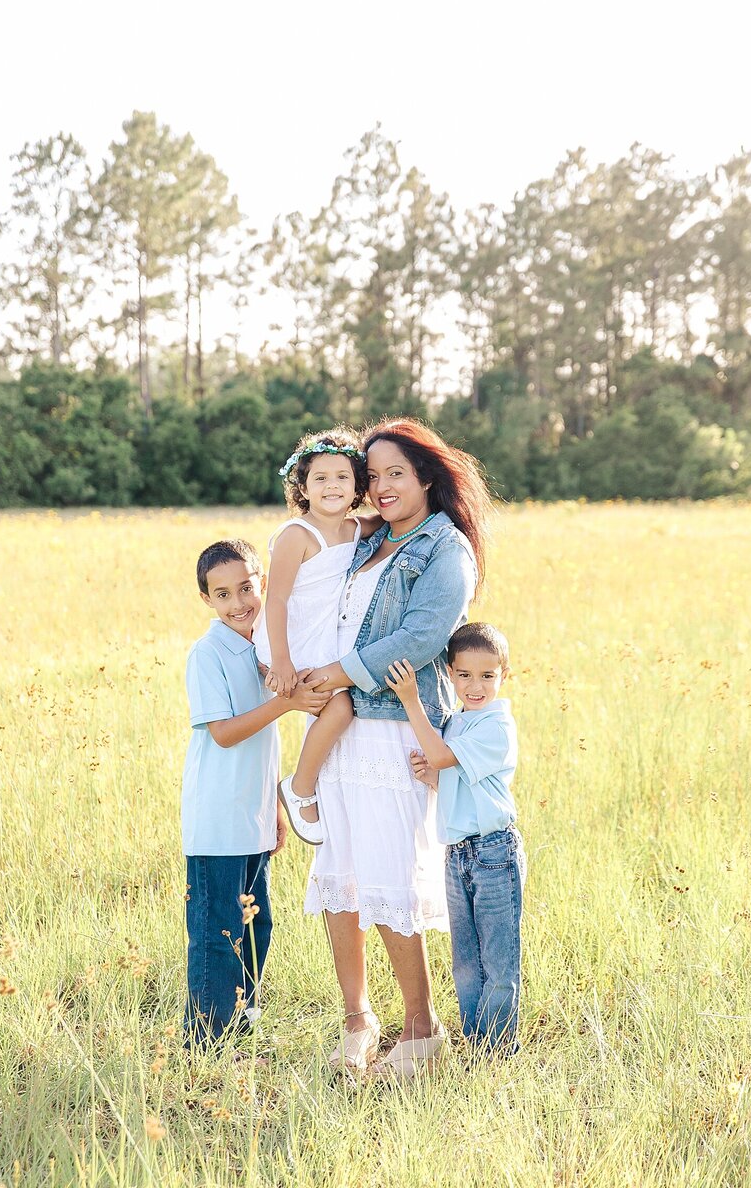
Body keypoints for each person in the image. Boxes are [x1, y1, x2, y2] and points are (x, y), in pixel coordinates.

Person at [301, 418, 492, 1078]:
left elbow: (420, 637)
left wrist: (338, 672)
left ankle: (422, 1029)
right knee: (344, 880)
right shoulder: (371, 538)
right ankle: (358, 1021)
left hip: (391, 733)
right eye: (373, 475)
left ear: (428, 478)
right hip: (338, 725)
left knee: (388, 879)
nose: (379, 487)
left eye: (395, 475)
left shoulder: (446, 549)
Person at [182, 538, 331, 1049]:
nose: (238, 602)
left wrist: (275, 811)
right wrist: (286, 702)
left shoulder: (264, 649)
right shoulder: (208, 655)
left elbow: (263, 746)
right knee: (216, 932)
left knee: (255, 924)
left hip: (253, 816)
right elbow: (223, 732)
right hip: (217, 822)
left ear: (262, 583)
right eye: (222, 593)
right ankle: (204, 1041)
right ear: (207, 600)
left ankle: (240, 1022)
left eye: (246, 588)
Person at [386, 622, 526, 1053]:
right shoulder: (458, 723)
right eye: (464, 675)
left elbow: (444, 756)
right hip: (458, 855)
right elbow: (456, 779)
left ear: (505, 673)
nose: (475, 685)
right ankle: (475, 1040)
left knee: (497, 960)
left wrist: (411, 702)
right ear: (449, 673)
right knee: (465, 960)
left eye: (487, 675)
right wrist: (434, 779)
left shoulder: (496, 726)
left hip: (493, 853)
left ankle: (498, 1048)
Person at [254, 429, 379, 845]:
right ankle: (299, 786)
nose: (332, 486)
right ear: (303, 487)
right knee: (340, 706)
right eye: (320, 478)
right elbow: (276, 602)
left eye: (343, 477)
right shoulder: (297, 535)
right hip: (292, 638)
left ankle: (313, 784)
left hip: (325, 638)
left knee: (337, 704)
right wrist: (283, 662)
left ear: (358, 486)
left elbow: (393, 517)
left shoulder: (356, 528)